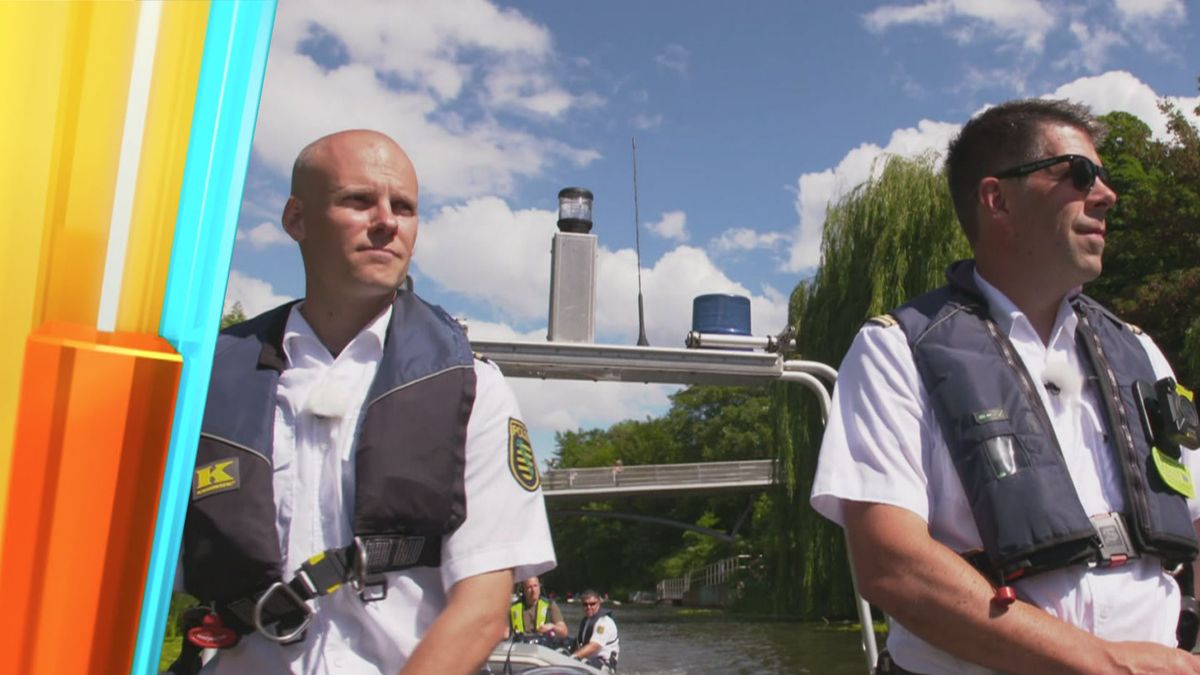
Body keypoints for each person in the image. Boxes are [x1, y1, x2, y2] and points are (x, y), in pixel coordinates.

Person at [810, 98, 1200, 674]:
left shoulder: (1138, 350)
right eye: (1079, 174)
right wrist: (1106, 666)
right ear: (998, 200)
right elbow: (893, 565)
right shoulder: (896, 348)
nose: (1106, 194)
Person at [175, 129, 556, 674]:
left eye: (403, 207)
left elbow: (482, 611)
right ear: (296, 219)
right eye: (358, 201)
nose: (387, 221)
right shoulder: (205, 384)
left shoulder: (473, 388)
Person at [572, 589, 619, 670]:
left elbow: (594, 646)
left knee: (583, 663)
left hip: (604, 664)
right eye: (585, 604)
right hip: (589, 659)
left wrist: (572, 658)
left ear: (599, 603)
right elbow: (580, 644)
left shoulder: (604, 622)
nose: (588, 607)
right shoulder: (586, 621)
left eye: (592, 604)